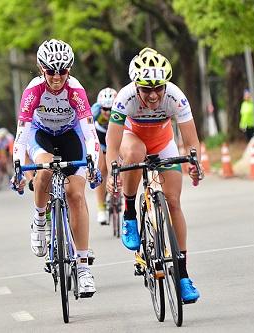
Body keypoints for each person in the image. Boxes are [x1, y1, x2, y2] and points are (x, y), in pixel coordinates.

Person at [105, 47, 202, 303]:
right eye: (146, 89)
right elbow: (113, 144)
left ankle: (182, 276)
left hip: (162, 142)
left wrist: (194, 164)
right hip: (132, 138)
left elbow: (191, 140)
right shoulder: (125, 98)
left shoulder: (176, 97)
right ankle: (129, 213)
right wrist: (112, 170)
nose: (153, 94)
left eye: (158, 87)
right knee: (135, 153)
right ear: (136, 86)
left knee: (173, 202)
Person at [11, 39, 101, 297]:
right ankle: (40, 221)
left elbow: (90, 133)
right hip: (41, 135)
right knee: (45, 170)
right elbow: (21, 134)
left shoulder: (75, 90)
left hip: (70, 134)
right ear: (41, 68)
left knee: (75, 194)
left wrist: (93, 158)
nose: (57, 77)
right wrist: (18, 164)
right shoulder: (33, 91)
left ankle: (83, 269)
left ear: (69, 70)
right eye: (51, 71)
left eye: (63, 71)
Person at [91, 87, 118, 225]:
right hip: (100, 139)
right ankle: (101, 208)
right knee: (102, 169)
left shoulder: (122, 109)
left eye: (111, 109)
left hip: (116, 137)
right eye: (105, 109)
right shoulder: (94, 112)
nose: (107, 112)